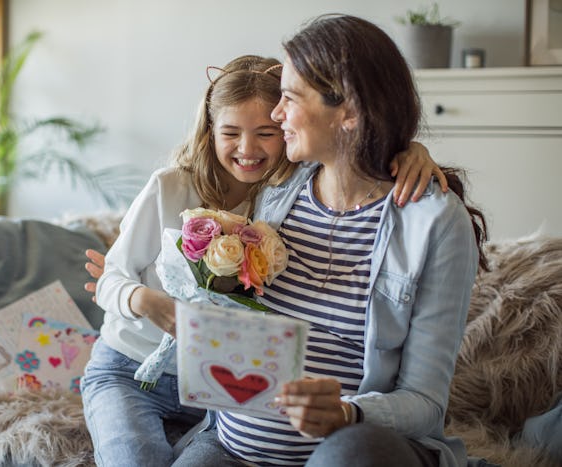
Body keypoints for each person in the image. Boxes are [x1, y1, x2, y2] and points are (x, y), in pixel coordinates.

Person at [80, 54, 447, 467]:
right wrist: (145, 301)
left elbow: (352, 150)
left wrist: (411, 150)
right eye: (231, 132)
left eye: (266, 133)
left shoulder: (284, 195)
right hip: (130, 368)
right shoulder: (171, 187)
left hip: (210, 384)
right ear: (209, 131)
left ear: (288, 126)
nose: (247, 149)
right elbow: (113, 274)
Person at [171, 14, 488, 467]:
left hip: (356, 448)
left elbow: (425, 402)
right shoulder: (276, 189)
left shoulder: (434, 223)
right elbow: (202, 158)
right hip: (231, 448)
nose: (275, 114)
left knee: (348, 454)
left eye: (289, 98)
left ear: (350, 112)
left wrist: (347, 412)